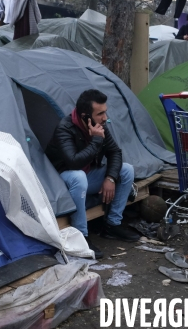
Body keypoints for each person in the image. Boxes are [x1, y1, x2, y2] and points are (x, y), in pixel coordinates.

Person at [45, 89, 139, 259]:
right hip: (63, 181)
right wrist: (96, 140)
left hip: (87, 178)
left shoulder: (100, 126)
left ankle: (112, 225)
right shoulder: (64, 129)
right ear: (85, 116)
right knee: (78, 177)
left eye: (105, 112)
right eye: (100, 113)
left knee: (126, 170)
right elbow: (74, 162)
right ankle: (81, 236)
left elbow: (115, 152)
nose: (105, 118)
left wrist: (110, 178)